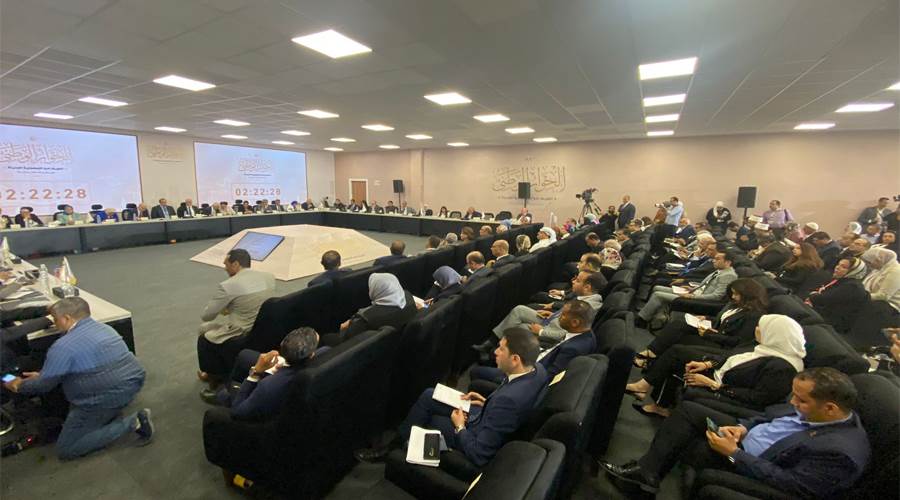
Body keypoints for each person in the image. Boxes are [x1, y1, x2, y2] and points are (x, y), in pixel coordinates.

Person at [602, 367, 870, 499]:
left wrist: (735, 454)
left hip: (752, 462)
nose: (793, 403)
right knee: (689, 411)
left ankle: (644, 479)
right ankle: (647, 474)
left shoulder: (839, 452)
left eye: (800, 400)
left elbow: (792, 484)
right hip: (742, 440)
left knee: (697, 450)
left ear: (831, 408)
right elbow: (766, 416)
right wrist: (743, 428)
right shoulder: (813, 408)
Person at [355, 328, 547, 465]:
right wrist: (486, 402)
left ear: (515, 359)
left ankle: (393, 451)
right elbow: (507, 403)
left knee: (433, 419)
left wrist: (459, 426)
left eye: (501, 349)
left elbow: (479, 454)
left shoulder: (508, 402)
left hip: (476, 432)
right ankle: (397, 444)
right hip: (487, 413)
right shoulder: (537, 369)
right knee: (430, 395)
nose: (495, 352)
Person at [2, 297, 153, 459]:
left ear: (66, 318)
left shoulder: (62, 347)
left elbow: (42, 386)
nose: (55, 323)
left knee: (67, 448)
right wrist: (44, 375)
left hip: (103, 396)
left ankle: (133, 422)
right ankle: (107, 415)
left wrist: (17, 384)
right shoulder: (105, 328)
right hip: (133, 382)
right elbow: (84, 364)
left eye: (55, 319)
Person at [628, 314, 804, 417]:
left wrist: (713, 384)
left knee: (678, 356)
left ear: (775, 334)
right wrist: (706, 364)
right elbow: (732, 356)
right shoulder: (765, 346)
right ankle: (657, 401)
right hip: (721, 374)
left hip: (724, 386)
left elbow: (758, 398)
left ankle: (649, 393)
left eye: (760, 327)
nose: (756, 329)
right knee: (680, 356)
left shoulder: (782, 368)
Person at [634, 278, 767, 368]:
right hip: (712, 332)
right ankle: (651, 353)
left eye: (736, 294)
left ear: (748, 295)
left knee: (680, 338)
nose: (733, 297)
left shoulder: (753, 315)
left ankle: (651, 358)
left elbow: (737, 341)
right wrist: (706, 318)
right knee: (678, 325)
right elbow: (724, 319)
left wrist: (710, 334)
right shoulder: (735, 304)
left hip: (719, 343)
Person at [197, 249, 276, 392]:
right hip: (263, 328)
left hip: (241, 332)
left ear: (235, 264)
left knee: (204, 330)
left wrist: (225, 307)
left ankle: (213, 376)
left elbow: (207, 315)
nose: (225, 268)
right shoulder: (269, 277)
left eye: (226, 264)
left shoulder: (229, 285)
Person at [476, 271, 604, 354]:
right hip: (552, 320)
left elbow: (568, 334)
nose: (573, 281)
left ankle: (496, 351)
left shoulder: (589, 307)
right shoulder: (585, 298)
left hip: (550, 332)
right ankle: (492, 344)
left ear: (587, 287)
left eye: (578, 280)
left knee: (518, 327)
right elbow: (568, 312)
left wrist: (541, 331)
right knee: (519, 310)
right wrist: (554, 314)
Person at [210, 328, 324, 420]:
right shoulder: (324, 352)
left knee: (224, 394)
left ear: (282, 344)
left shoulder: (268, 386)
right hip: (291, 374)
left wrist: (255, 373)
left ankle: (226, 395)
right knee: (245, 356)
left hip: (264, 416)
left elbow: (237, 412)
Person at [472, 301, 596, 385]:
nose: (559, 318)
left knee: (476, 372)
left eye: (563, 316)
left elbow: (548, 377)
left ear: (575, 323)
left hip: (527, 374)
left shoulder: (574, 348)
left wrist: (521, 368)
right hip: (538, 357)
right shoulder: (583, 334)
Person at [636, 252, 738, 329]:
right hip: (694, 292)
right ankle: (656, 315)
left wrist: (693, 296)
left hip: (698, 299)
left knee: (658, 295)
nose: (713, 261)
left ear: (728, 262)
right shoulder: (721, 270)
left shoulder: (728, 275)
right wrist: (692, 288)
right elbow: (706, 285)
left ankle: (642, 319)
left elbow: (717, 296)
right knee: (657, 288)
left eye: (717, 259)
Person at [324, 273, 417, 346]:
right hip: (398, 342)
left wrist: (345, 327)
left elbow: (346, 341)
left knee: (326, 337)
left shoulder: (366, 318)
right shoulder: (408, 297)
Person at [806, 257, 870, 334]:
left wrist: (813, 296)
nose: (837, 267)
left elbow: (824, 299)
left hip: (832, 322)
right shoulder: (842, 280)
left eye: (843, 267)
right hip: (823, 312)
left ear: (854, 271)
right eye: (838, 264)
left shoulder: (852, 287)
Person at [860, 247, 900, 332]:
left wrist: (861, 296)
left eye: (870, 262)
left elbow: (884, 296)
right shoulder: (879, 269)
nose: (869, 265)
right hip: (873, 300)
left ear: (879, 260)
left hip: (889, 307)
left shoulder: (896, 271)